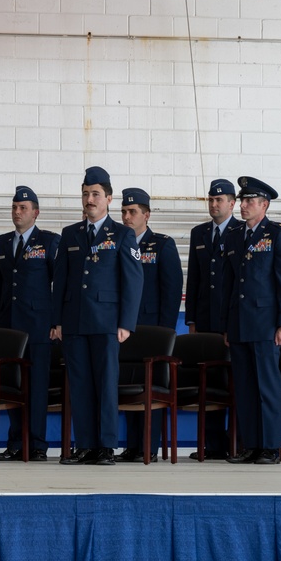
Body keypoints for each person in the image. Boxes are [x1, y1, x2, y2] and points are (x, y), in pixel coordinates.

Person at [52, 166, 143, 466]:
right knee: (80, 384)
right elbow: (60, 281)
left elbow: (133, 281)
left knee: (105, 384)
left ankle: (105, 446)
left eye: (95, 194)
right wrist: (57, 321)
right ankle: (86, 445)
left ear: (108, 199)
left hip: (107, 322)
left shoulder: (122, 234)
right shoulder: (70, 234)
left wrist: (126, 323)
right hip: (75, 321)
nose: (89, 199)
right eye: (85, 194)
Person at [221, 177, 281, 465]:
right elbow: (229, 284)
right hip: (240, 324)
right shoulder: (233, 236)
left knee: (266, 387)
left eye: (249, 201)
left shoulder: (277, 234)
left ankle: (269, 447)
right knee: (244, 388)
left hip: (266, 323)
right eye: (242, 201)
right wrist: (227, 326)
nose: (243, 206)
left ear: (264, 205)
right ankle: (251, 445)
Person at [0, 186, 61, 462]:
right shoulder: (2, 242)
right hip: (8, 328)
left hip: (39, 327)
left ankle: (38, 444)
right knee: (11, 388)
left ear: (35, 212)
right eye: (14, 207)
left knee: (37, 387)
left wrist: (56, 322)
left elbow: (59, 284)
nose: (17, 212)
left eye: (23, 208)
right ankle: (16, 442)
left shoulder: (49, 241)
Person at [116, 187, 182, 463]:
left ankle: (147, 448)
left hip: (152, 330)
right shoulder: (118, 242)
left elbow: (171, 290)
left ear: (146, 215)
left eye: (132, 212)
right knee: (127, 386)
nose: (127, 217)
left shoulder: (162, 245)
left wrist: (164, 333)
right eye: (124, 212)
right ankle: (131, 446)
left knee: (150, 388)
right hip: (124, 328)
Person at [184, 178, 242, 460]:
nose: (214, 204)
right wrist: (192, 320)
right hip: (205, 322)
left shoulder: (242, 231)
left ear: (232, 204)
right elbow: (194, 280)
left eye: (219, 200)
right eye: (211, 199)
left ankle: (238, 444)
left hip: (231, 322)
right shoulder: (199, 233)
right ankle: (213, 444)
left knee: (235, 383)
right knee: (207, 383)